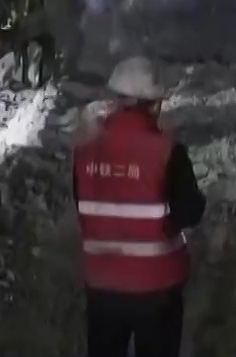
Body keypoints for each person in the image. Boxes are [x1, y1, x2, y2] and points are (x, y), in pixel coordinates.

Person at [73, 56, 206, 357]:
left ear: (114, 101)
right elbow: (190, 212)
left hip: (102, 284)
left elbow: (83, 206)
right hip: (157, 287)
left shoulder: (84, 151)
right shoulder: (168, 151)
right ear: (155, 104)